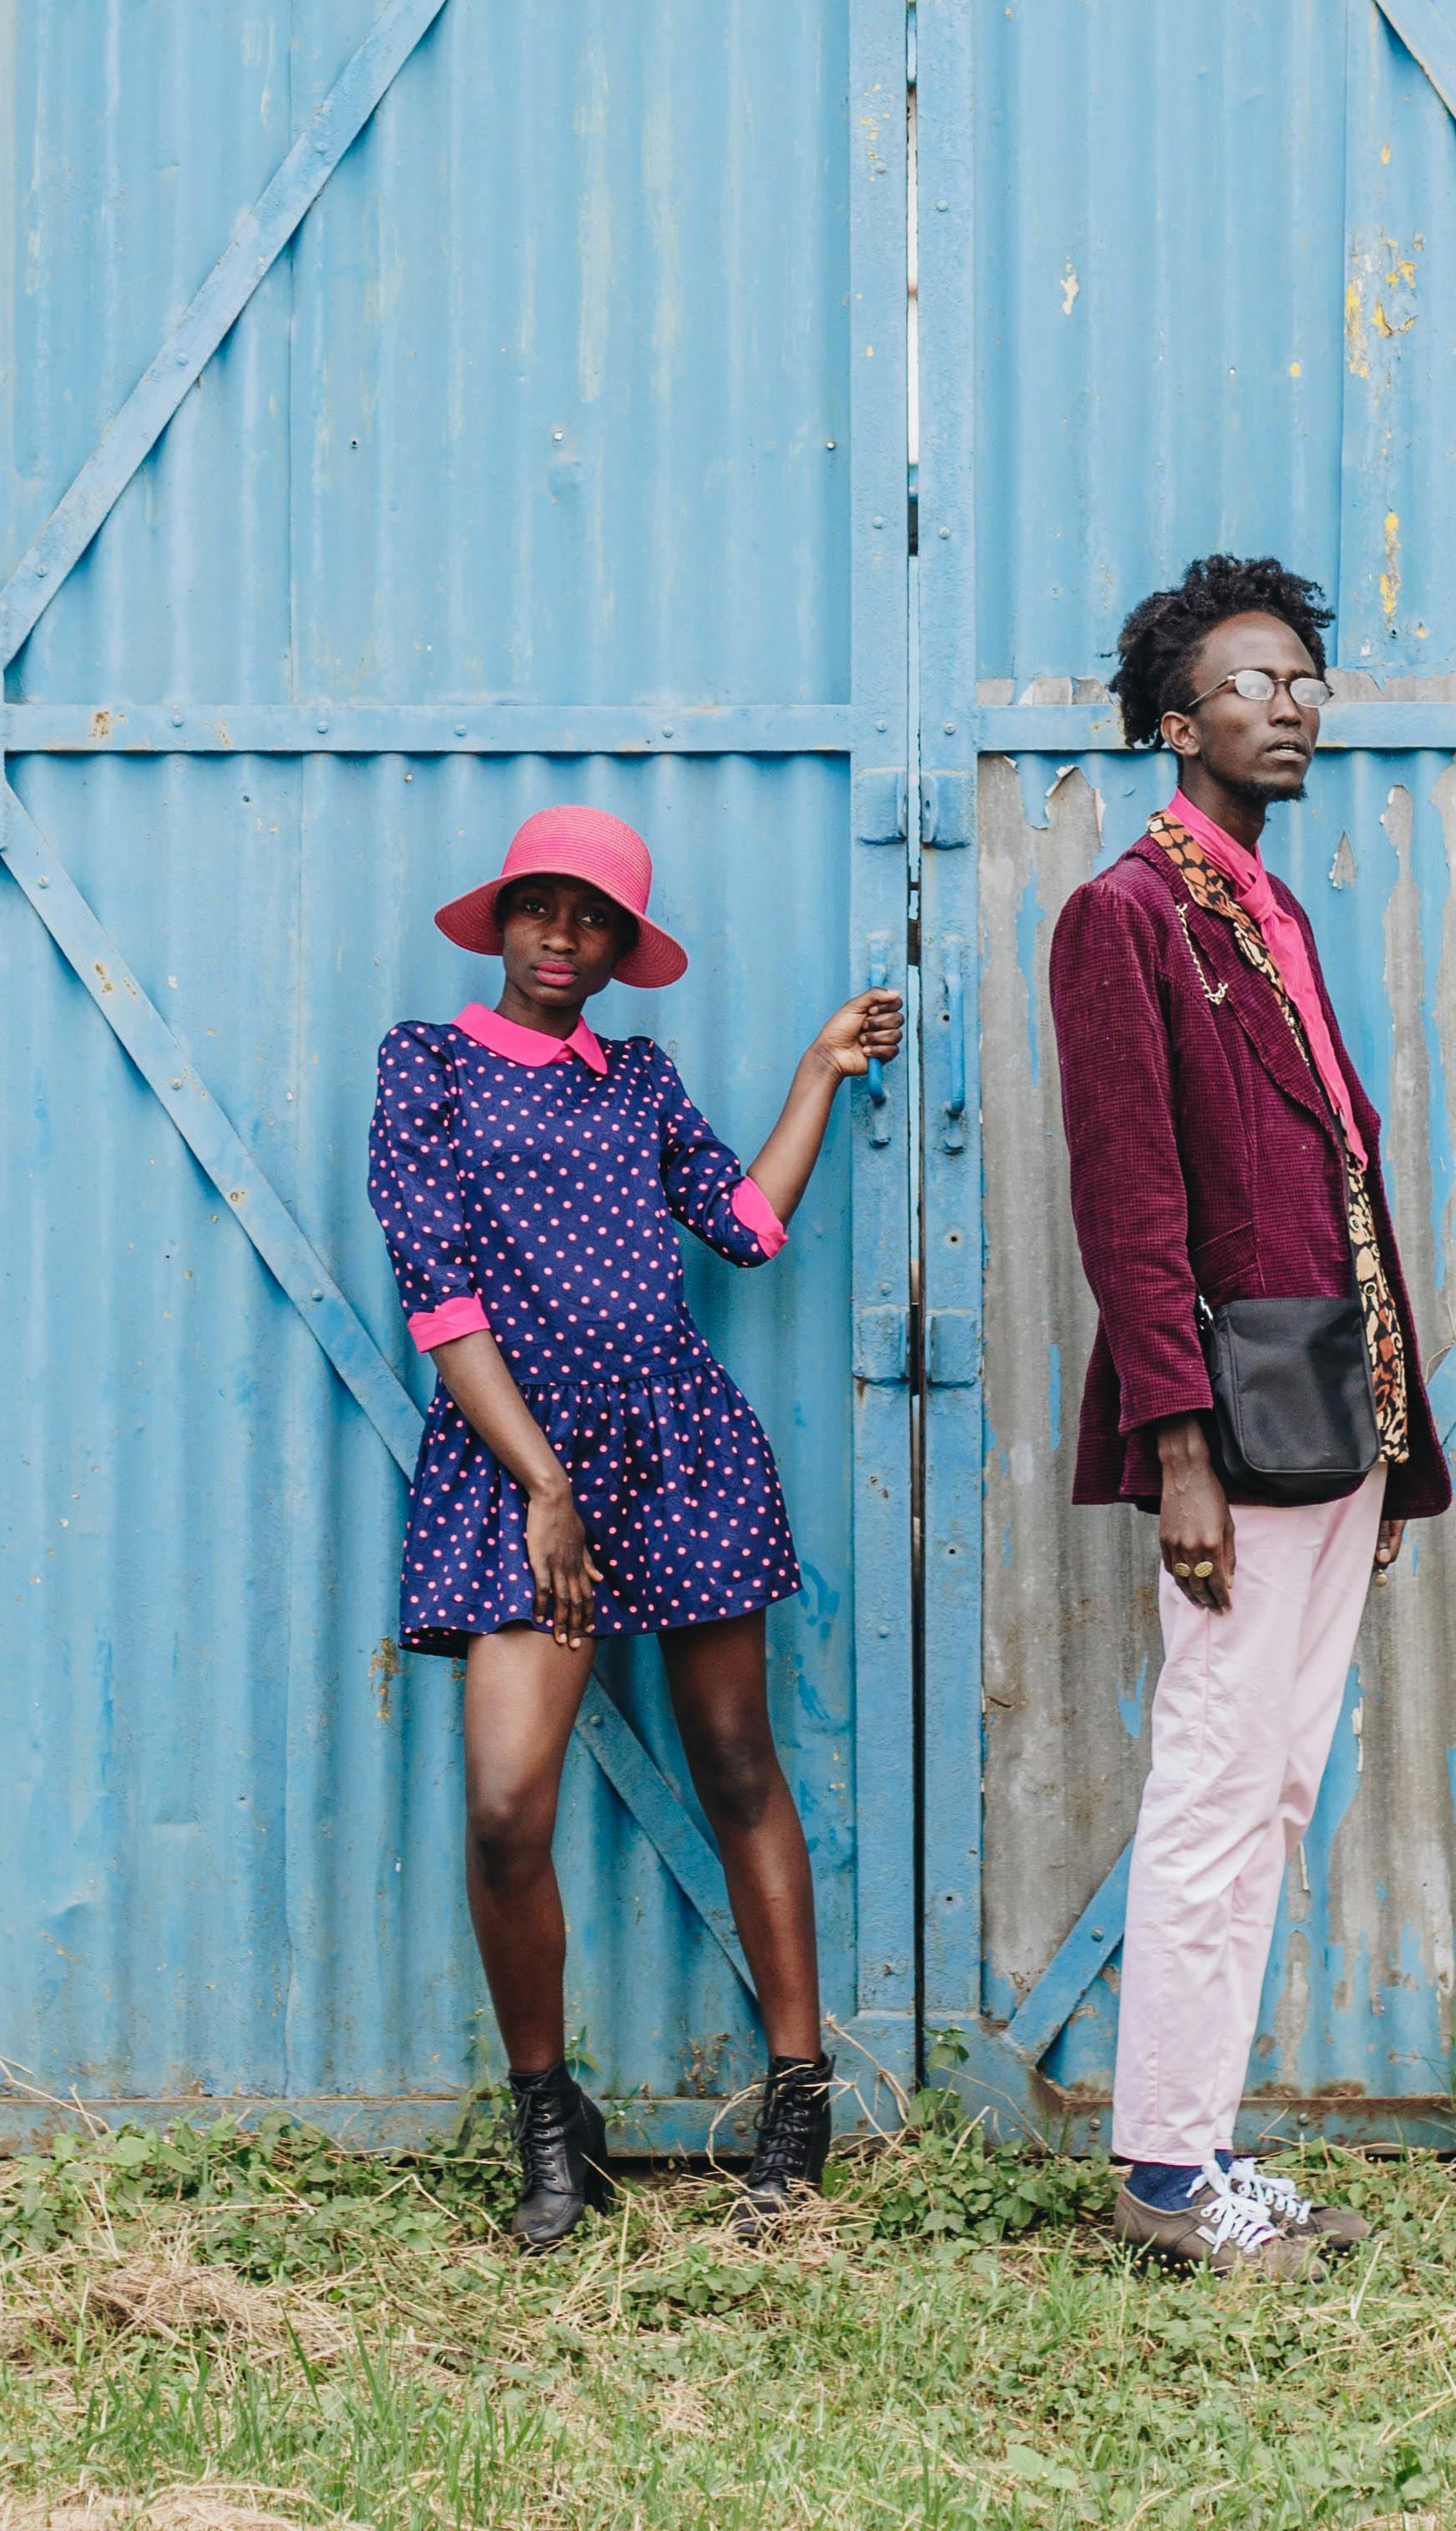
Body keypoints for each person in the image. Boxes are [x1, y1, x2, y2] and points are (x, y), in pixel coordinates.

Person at [368, 801, 901, 2250]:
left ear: (618, 949)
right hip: (516, 1472)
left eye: (593, 918)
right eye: (542, 905)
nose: (562, 935)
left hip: (678, 1447)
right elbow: (442, 1302)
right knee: (503, 1806)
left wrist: (814, 1076)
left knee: (735, 1761)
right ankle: (556, 2118)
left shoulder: (640, 1079)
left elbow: (745, 1227)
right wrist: (542, 1485)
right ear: (504, 919)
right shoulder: (426, 1070)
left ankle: (799, 2098)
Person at [1047, 554, 1452, 2280]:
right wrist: (1182, 1450)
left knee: (1274, 1783)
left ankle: (1202, 2148)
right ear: (1168, 719)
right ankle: (1158, 2178)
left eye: (1302, 679)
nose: (1284, 706)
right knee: (1218, 1781)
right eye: (1242, 681)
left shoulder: (1264, 911)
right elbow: (1128, 1203)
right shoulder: (1125, 916)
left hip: (1333, 1411)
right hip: (1241, 1425)